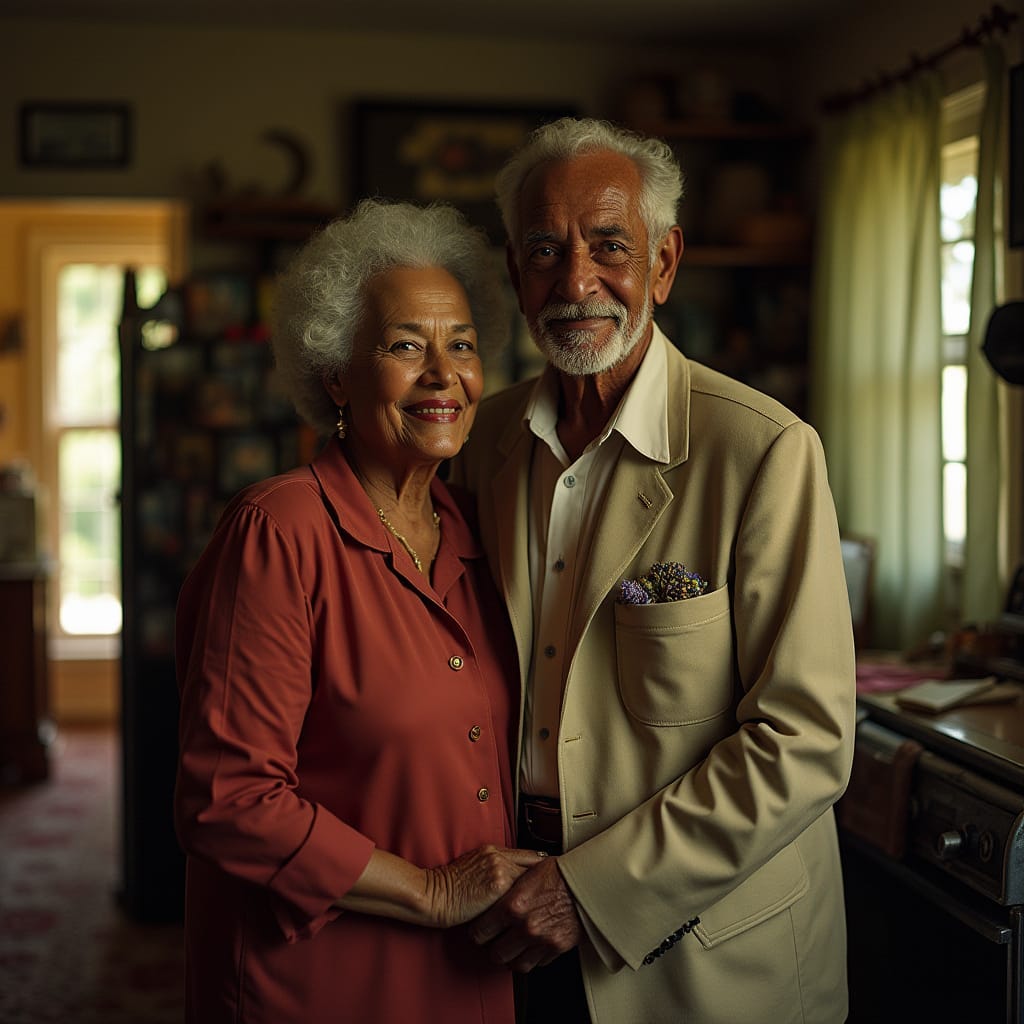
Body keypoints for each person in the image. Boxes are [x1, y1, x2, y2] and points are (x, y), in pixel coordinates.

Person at [449, 118, 857, 1023]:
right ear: (515, 271)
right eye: (545, 251)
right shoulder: (480, 445)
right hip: (507, 914)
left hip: (704, 949)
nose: (575, 283)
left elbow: (805, 742)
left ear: (664, 264)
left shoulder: (762, 448)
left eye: (609, 246)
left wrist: (590, 890)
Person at [173, 198, 546, 1024]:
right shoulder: (278, 532)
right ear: (336, 374)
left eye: (462, 345)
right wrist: (432, 890)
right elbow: (228, 799)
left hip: (469, 974)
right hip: (321, 981)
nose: (443, 374)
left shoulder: (475, 530)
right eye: (406, 346)